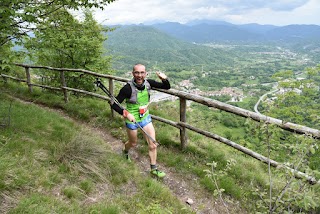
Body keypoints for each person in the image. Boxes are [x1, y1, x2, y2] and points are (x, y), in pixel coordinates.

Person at [111, 64, 170, 178]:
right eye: (137, 73)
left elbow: (166, 87)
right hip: (132, 120)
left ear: (145, 73)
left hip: (145, 118)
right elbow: (113, 103)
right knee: (133, 143)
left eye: (142, 73)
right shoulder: (127, 88)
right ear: (133, 74)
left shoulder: (148, 83)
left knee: (153, 144)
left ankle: (154, 169)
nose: (139, 75)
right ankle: (125, 151)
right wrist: (126, 113)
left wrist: (164, 78)